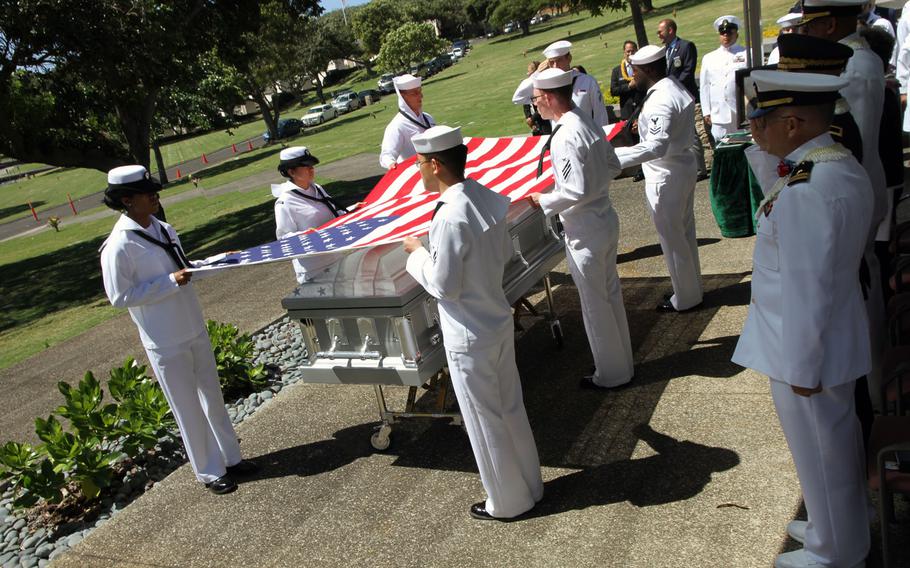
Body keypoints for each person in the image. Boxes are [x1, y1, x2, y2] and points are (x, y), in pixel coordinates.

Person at [732, 69, 873, 568]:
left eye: (760, 119)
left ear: (792, 123)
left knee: (825, 452)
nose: (752, 128)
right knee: (830, 448)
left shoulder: (811, 188)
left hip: (807, 350)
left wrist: (803, 369)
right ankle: (830, 528)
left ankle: (835, 552)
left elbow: (809, 288)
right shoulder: (832, 166)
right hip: (820, 340)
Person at [401, 125, 543, 521]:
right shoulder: (483, 196)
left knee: (484, 419)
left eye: (419, 165)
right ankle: (530, 484)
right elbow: (502, 256)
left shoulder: (449, 215)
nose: (419, 172)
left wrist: (416, 254)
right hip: (495, 317)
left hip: (467, 331)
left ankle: (508, 501)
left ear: (434, 163)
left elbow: (445, 286)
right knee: (511, 407)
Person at [99, 165, 258, 495]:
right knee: (186, 406)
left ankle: (232, 458)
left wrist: (218, 261)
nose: (154, 196)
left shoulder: (163, 229)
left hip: (192, 325)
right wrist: (169, 283)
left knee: (212, 396)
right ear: (126, 200)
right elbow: (119, 296)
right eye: (146, 193)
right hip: (164, 338)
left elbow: (184, 268)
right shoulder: (119, 245)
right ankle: (209, 472)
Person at [800, 0, 889, 420]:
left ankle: (869, 385)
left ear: (830, 24)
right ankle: (873, 379)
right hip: (865, 178)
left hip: (851, 179)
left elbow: (841, 134)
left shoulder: (849, 65)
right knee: (862, 281)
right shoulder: (863, 58)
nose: (806, 35)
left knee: (856, 288)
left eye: (810, 27)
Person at [526, 68, 635, 389]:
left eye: (535, 100)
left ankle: (611, 375)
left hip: (585, 229)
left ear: (547, 97)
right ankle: (623, 365)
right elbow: (613, 165)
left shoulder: (564, 134)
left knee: (595, 306)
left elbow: (574, 190)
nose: (535, 107)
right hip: (604, 219)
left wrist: (543, 200)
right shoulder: (584, 121)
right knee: (610, 297)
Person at [614, 45, 703, 313]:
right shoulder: (671, 87)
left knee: (673, 239)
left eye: (635, 71)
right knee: (684, 234)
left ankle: (685, 298)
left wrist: (613, 159)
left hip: (665, 174)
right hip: (681, 167)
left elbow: (656, 146)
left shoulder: (660, 100)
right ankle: (691, 288)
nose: (632, 76)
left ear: (649, 70)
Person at [272, 146, 346, 283]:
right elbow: (284, 239)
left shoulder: (316, 188)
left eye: (311, 165)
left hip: (336, 257)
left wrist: (353, 211)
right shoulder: (285, 202)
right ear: (291, 172)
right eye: (306, 166)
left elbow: (334, 211)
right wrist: (306, 235)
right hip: (313, 270)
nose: (311, 169)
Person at [512, 40, 610, 128]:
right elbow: (518, 98)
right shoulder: (548, 84)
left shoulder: (587, 81)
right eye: (551, 62)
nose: (555, 66)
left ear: (569, 58)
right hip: (561, 138)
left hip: (586, 137)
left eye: (559, 60)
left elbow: (600, 115)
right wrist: (537, 73)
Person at [658, 18, 709, 180]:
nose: (658, 34)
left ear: (671, 30)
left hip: (686, 97)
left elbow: (688, 71)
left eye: (661, 31)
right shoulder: (664, 51)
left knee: (693, 134)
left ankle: (701, 169)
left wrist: (670, 86)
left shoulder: (686, 47)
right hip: (671, 100)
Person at [699, 15, 749, 142]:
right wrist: (706, 111)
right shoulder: (709, 58)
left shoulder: (746, 54)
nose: (726, 36)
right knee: (723, 149)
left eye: (730, 33)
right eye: (723, 33)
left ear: (736, 34)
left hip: (741, 112)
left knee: (744, 146)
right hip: (719, 113)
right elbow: (705, 86)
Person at [379, 74, 435, 169]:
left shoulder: (428, 118)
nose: (421, 96)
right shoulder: (397, 126)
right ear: (403, 98)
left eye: (420, 91)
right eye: (414, 93)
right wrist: (391, 163)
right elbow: (386, 155)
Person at [610, 40, 646, 120]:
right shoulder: (616, 71)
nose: (630, 54)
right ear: (624, 53)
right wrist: (628, 86)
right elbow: (613, 91)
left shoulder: (643, 67)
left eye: (633, 51)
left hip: (643, 110)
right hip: (627, 113)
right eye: (628, 51)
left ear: (637, 51)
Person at [522, 61, 552, 136]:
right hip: (535, 126)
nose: (527, 74)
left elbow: (542, 105)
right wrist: (528, 118)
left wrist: (532, 119)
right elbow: (526, 105)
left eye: (529, 72)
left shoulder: (541, 86)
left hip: (545, 123)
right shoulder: (528, 88)